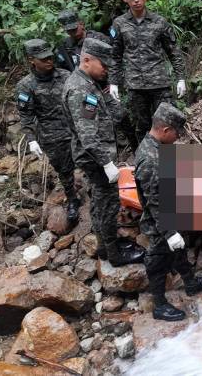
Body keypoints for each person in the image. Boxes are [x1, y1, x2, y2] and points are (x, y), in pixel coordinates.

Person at [62, 37, 144, 266]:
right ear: (87, 60)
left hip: (95, 155)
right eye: (104, 66)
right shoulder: (80, 89)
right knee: (108, 204)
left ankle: (104, 247)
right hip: (95, 158)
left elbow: (113, 114)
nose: (106, 70)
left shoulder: (90, 82)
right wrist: (106, 163)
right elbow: (88, 135)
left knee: (99, 202)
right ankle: (115, 254)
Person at [135, 102, 202, 321]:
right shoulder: (151, 159)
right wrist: (169, 232)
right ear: (165, 130)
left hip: (171, 211)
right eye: (177, 133)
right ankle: (159, 304)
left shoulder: (156, 146)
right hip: (160, 221)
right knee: (157, 258)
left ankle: (190, 283)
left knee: (179, 250)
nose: (178, 137)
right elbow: (154, 202)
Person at [110, 0, 187, 143]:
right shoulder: (119, 24)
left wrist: (180, 78)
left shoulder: (159, 22)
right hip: (136, 85)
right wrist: (113, 82)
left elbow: (173, 52)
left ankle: (170, 162)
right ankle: (146, 162)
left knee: (168, 123)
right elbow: (115, 56)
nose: (136, 0)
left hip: (160, 84)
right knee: (142, 126)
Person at [16, 39, 80, 225]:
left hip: (76, 128)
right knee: (64, 170)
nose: (49, 61)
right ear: (32, 60)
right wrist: (31, 140)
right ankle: (72, 199)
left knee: (90, 161)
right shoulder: (25, 86)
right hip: (52, 134)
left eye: (50, 57)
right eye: (43, 59)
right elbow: (26, 116)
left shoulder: (66, 75)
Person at [56, 9, 139, 151]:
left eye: (74, 29)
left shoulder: (98, 38)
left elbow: (115, 60)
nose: (72, 33)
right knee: (92, 123)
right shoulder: (65, 46)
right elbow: (62, 69)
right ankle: (110, 154)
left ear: (81, 24)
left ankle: (135, 147)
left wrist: (113, 82)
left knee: (121, 115)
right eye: (69, 31)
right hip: (84, 89)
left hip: (104, 86)